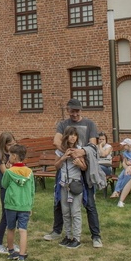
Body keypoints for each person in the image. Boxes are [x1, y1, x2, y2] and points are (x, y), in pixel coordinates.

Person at [43, 98, 104, 248]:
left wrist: (80, 153)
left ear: (81, 110)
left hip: (83, 167)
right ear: (68, 110)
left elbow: (93, 145)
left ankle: (96, 236)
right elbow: (56, 141)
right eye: (72, 111)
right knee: (59, 202)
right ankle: (58, 231)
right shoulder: (63, 124)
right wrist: (70, 153)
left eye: (77, 111)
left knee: (89, 203)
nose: (75, 114)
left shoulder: (89, 124)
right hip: (65, 168)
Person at [2, 143, 35, 261]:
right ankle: (22, 255)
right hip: (25, 205)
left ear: (14, 156)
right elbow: (32, 190)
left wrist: (7, 169)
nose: (8, 157)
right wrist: (31, 205)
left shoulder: (9, 172)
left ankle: (11, 251)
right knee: (23, 230)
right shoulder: (30, 172)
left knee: (11, 228)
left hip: (11, 205)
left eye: (10, 155)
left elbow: (4, 184)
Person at [56, 127, 87, 249]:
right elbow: (56, 166)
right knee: (65, 212)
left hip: (75, 185)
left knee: (75, 212)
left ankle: (77, 238)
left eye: (75, 135)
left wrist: (79, 163)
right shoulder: (60, 151)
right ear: (66, 137)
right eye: (70, 135)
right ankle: (68, 236)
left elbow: (84, 167)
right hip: (64, 185)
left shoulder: (79, 150)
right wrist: (63, 157)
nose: (73, 137)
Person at [0, 132, 16, 254]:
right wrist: (8, 166)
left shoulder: (14, 155)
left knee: (13, 216)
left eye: (13, 144)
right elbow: (6, 173)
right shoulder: (0, 157)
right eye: (9, 145)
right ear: (3, 145)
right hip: (5, 189)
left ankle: (10, 243)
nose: (11, 147)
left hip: (14, 189)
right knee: (5, 217)